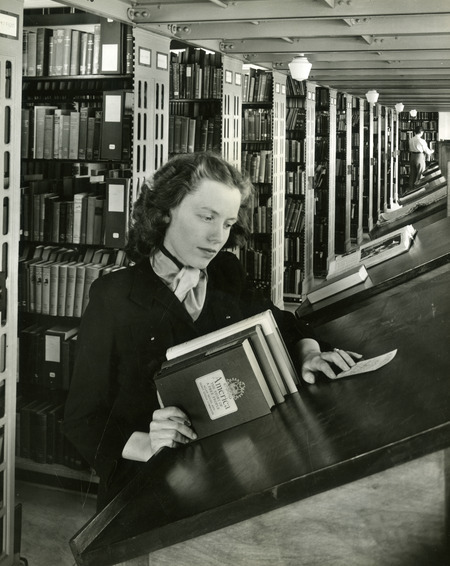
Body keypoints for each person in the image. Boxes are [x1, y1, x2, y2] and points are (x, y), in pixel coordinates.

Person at [63, 152, 361, 510]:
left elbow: (281, 322)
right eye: (206, 217)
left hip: (227, 473)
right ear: (165, 211)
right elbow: (82, 419)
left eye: (227, 223)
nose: (216, 236)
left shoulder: (225, 273)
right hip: (147, 486)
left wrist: (309, 353)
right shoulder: (115, 296)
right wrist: (147, 443)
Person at [408, 125, 434, 191]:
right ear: (422, 132)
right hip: (419, 156)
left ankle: (411, 189)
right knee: (420, 173)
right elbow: (427, 151)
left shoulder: (411, 139)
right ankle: (418, 190)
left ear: (415, 132)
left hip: (412, 157)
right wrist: (432, 151)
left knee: (412, 174)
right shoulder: (421, 140)